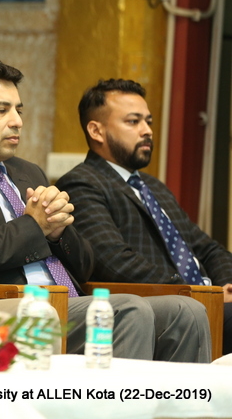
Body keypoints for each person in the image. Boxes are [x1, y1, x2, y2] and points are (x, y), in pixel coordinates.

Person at [0, 57, 211, 362]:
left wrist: (59, 233)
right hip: (7, 310)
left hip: (66, 302)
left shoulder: (27, 172)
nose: (17, 121)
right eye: (1, 110)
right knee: (129, 311)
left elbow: (85, 268)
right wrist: (33, 227)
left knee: (186, 311)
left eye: (18, 110)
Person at [58, 78, 232, 355]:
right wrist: (200, 290)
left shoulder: (153, 187)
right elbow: (115, 262)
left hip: (204, 299)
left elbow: (207, 248)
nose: (147, 130)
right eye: (133, 121)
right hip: (163, 306)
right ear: (96, 131)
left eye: (148, 121)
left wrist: (225, 284)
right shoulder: (82, 184)